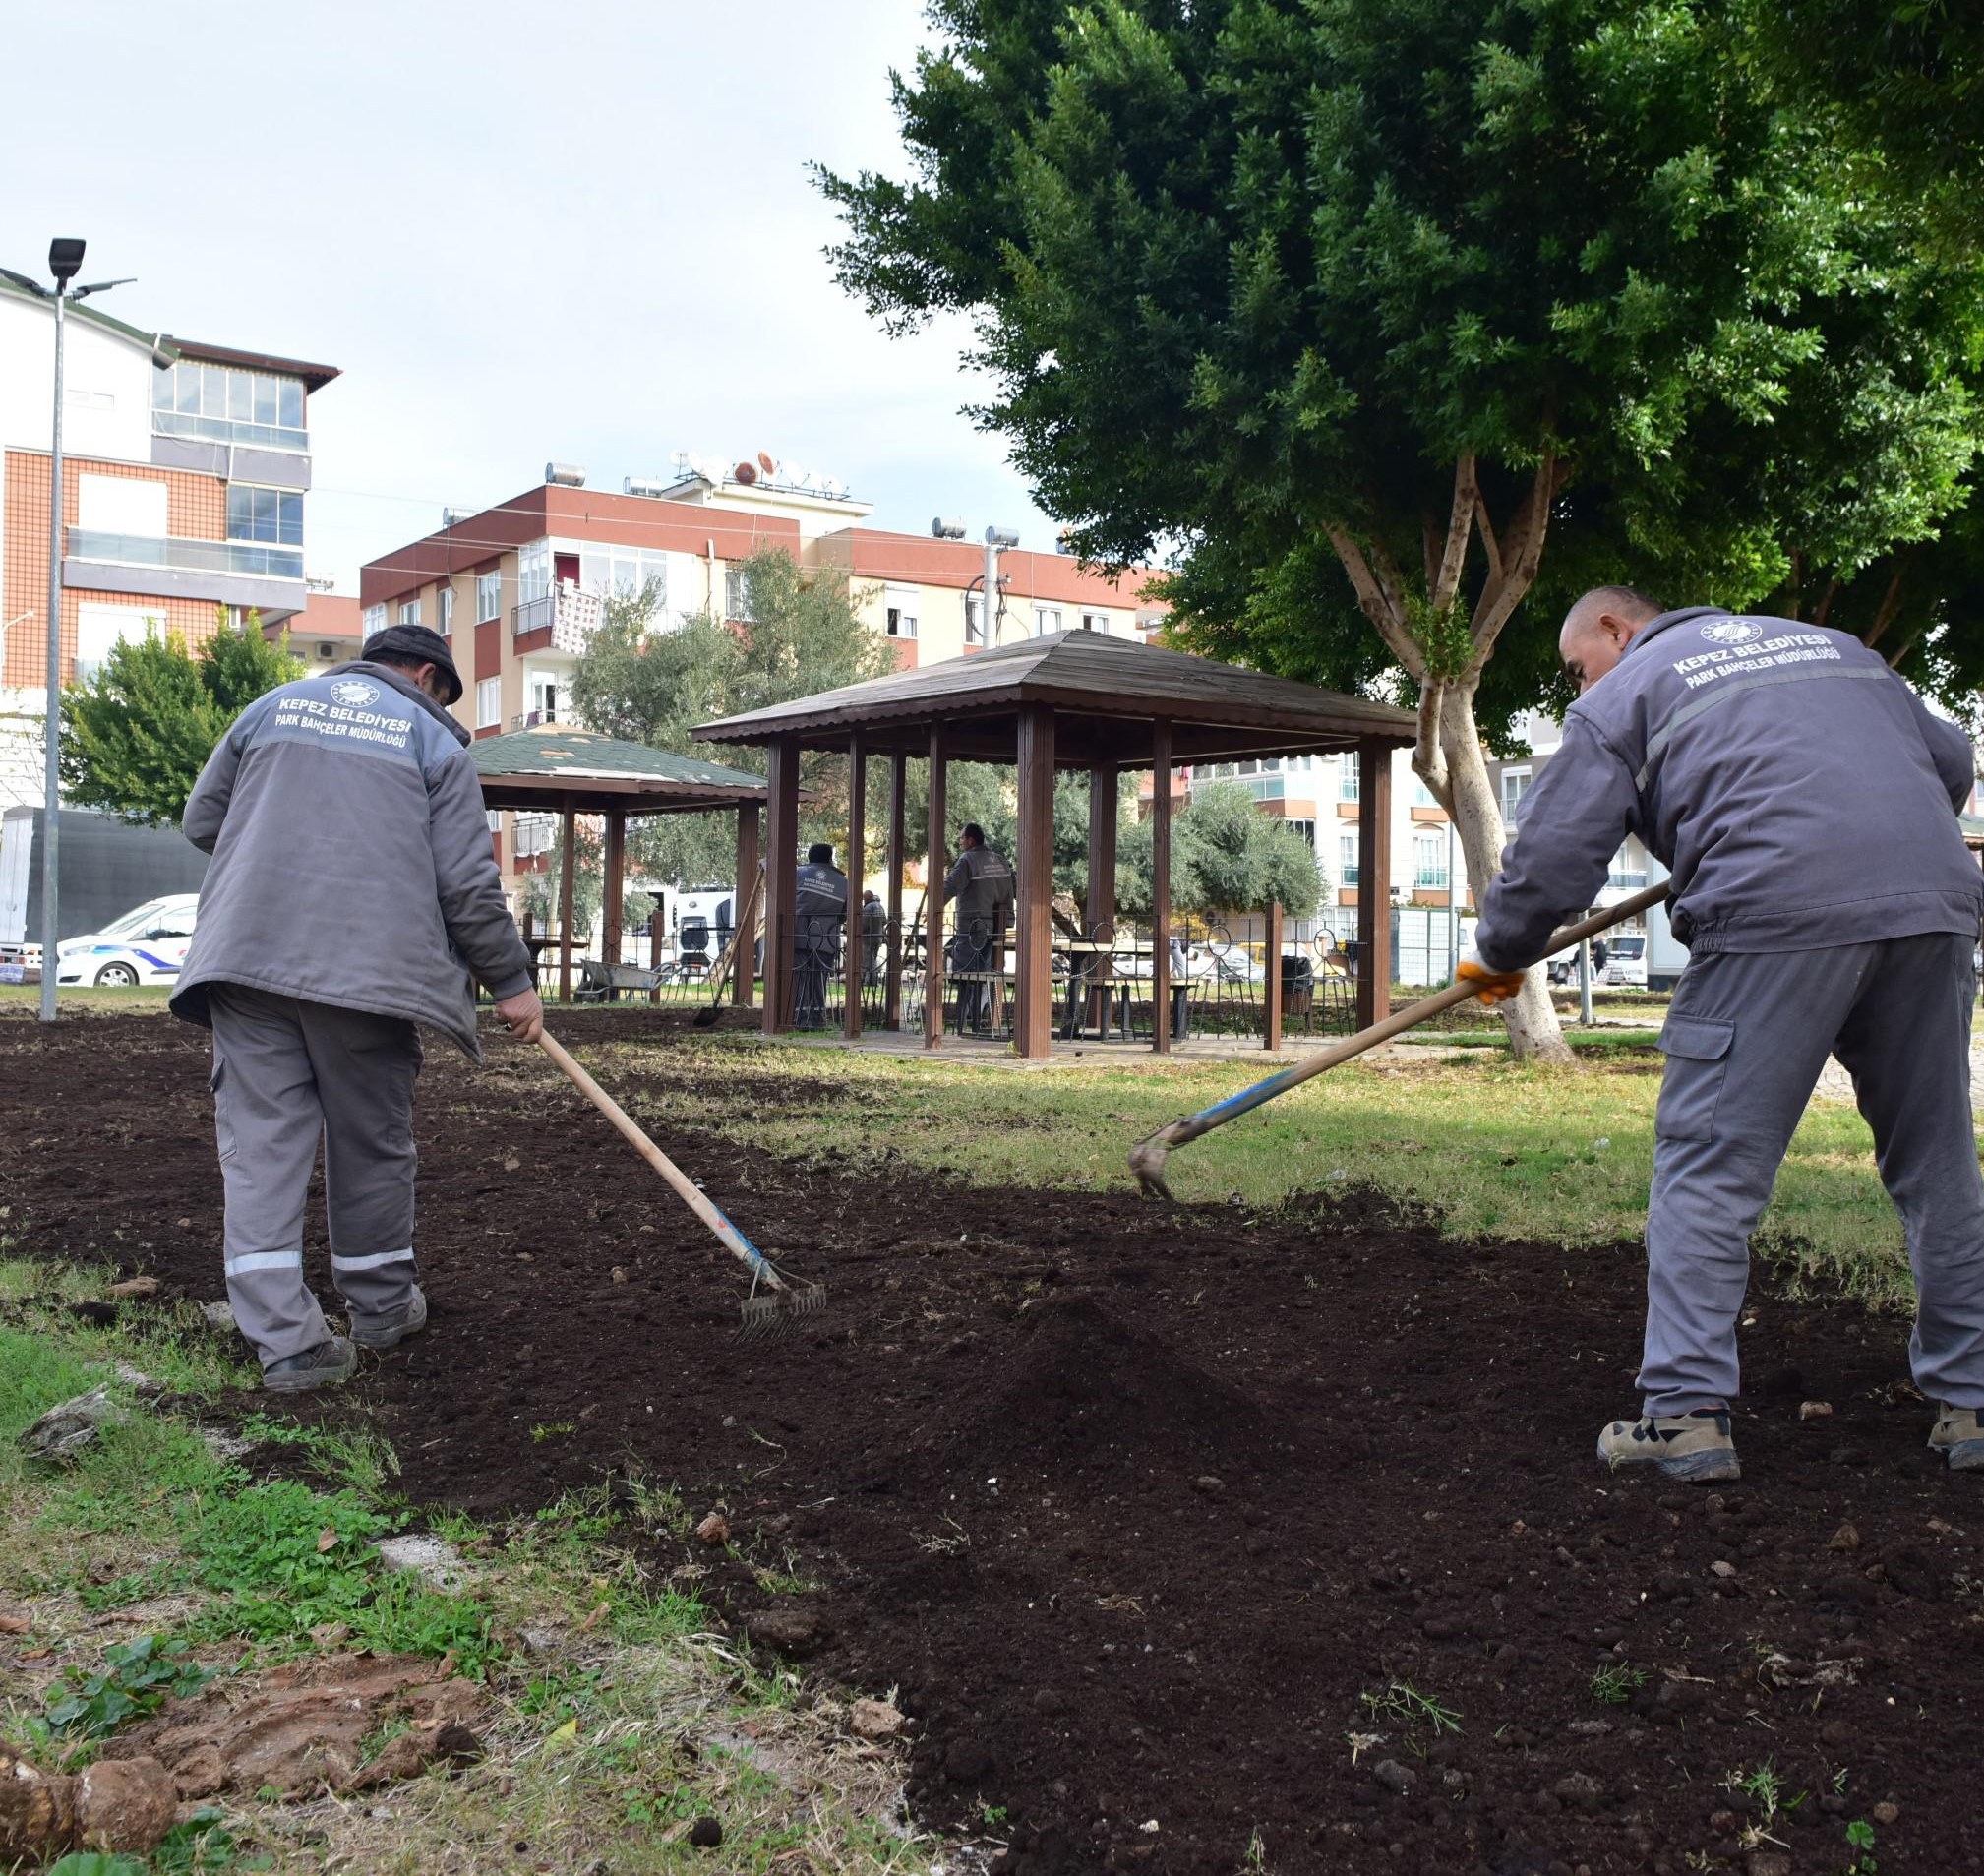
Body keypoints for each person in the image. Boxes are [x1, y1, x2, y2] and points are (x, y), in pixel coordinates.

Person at [1460, 587, 1984, 1481]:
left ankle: (1683, 1414)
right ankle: (1972, 1404)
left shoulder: (1621, 696)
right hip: (1932, 903)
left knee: (1708, 1163)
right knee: (1937, 1158)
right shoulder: (1836, 645)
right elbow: (1952, 761)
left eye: (1575, 664)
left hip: (1770, 915)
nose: (1574, 683)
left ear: (1615, 630)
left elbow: (1548, 862)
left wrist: (1499, 957)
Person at [171, 625, 543, 1393]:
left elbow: (203, 821)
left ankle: (288, 1346)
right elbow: (467, 886)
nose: (438, 703)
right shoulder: (433, 746)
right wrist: (510, 981)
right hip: (366, 979)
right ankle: (378, 1309)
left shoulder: (270, 708)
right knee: (369, 1140)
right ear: (421, 674)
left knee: (263, 1149)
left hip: (246, 962)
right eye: (442, 692)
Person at [943, 822, 1013, 1031]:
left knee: (965, 976)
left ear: (971, 840)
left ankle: (960, 1025)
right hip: (996, 929)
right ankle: (980, 1024)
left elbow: (950, 886)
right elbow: (1010, 893)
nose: (960, 842)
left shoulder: (968, 860)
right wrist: (1008, 923)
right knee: (985, 976)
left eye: (961, 838)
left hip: (972, 927)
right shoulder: (1001, 861)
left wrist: (934, 906)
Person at [793, 842, 848, 1028]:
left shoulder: (798, 874)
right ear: (830, 858)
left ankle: (799, 1018)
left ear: (809, 857)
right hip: (826, 937)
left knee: (799, 978)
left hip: (798, 935)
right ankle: (817, 1019)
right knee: (819, 979)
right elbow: (845, 913)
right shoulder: (843, 881)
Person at [861, 888, 887, 988]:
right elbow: (885, 920)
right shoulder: (879, 906)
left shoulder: (868, 908)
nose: (863, 900)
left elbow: (864, 924)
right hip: (878, 937)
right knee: (874, 958)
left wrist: (859, 931)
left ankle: (871, 981)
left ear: (867, 898)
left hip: (868, 938)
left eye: (864, 898)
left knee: (869, 960)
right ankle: (872, 980)